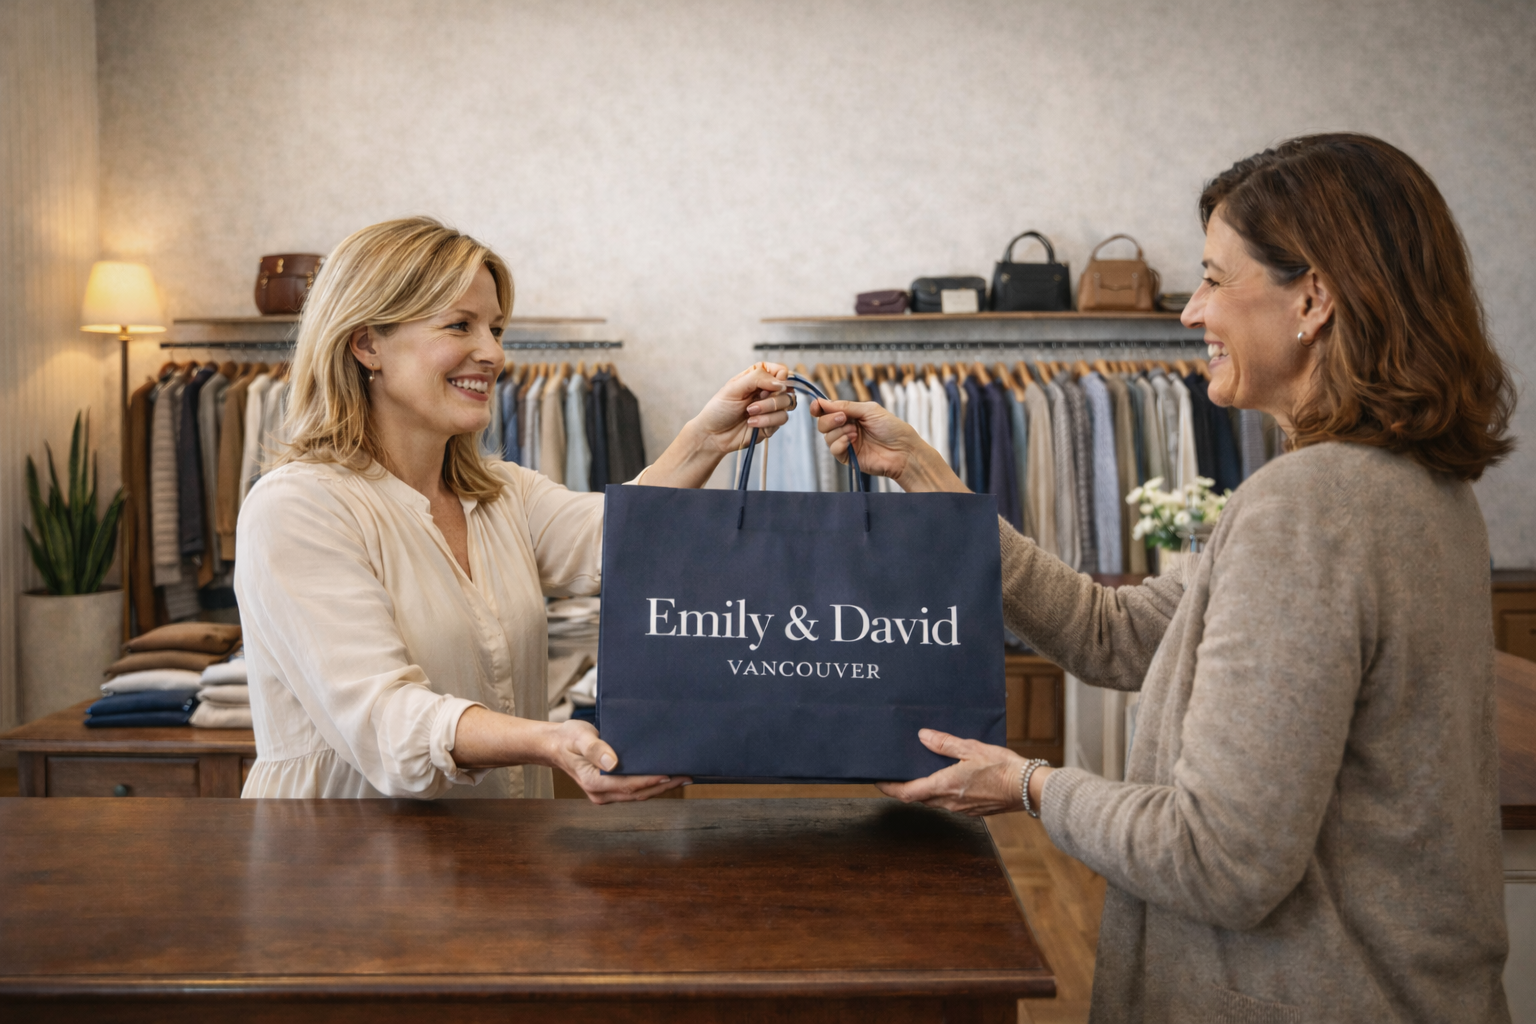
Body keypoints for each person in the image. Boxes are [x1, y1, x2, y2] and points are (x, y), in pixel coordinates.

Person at [811, 135, 1514, 1022]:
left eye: (1213, 279)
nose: (1190, 313)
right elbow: (1116, 634)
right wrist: (929, 480)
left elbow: (1218, 859)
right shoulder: (1417, 488)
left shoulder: (1309, 508)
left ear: (1314, 297)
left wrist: (1027, 785)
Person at [236, 217, 796, 802]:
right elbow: (385, 718)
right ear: (367, 344)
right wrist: (548, 741)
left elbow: (625, 541)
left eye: (496, 329)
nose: (494, 353)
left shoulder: (502, 494)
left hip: (501, 847)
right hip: (338, 849)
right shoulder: (296, 508)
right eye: (460, 325)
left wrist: (707, 438)